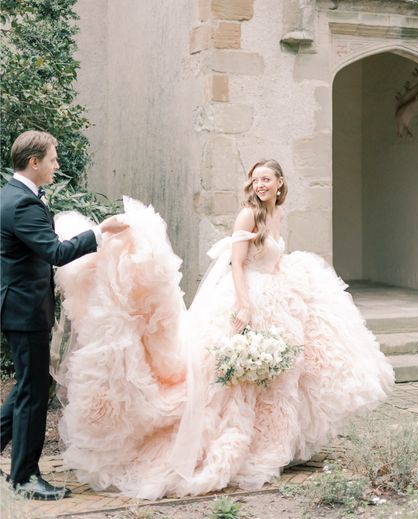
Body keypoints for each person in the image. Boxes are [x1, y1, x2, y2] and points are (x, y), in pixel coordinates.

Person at [52, 158, 394, 499]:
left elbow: (272, 258)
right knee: (236, 378)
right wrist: (244, 306)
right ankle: (233, 443)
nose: (260, 185)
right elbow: (237, 263)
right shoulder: (248, 215)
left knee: (277, 376)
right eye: (256, 180)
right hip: (246, 296)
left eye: (266, 180)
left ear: (279, 183)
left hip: (278, 300)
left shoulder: (277, 214)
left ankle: (273, 442)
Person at [0, 130, 128, 500]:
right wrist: (100, 232)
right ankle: (24, 477)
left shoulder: (13, 196)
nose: (57, 166)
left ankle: (20, 468)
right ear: (34, 162)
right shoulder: (21, 203)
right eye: (53, 159)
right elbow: (54, 252)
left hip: (21, 307)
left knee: (29, 386)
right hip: (24, 312)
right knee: (33, 391)